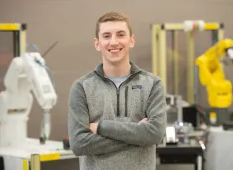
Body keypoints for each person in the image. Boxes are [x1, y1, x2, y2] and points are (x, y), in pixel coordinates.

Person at [68, 11, 167, 170]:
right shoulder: (82, 87)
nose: (113, 42)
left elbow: (155, 134)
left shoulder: (152, 84)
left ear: (131, 40)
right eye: (106, 36)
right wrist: (138, 136)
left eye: (121, 35)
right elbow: (79, 144)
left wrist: (100, 127)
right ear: (97, 43)